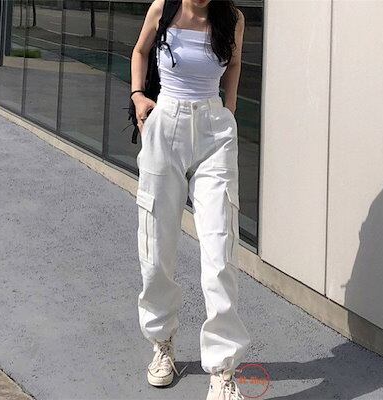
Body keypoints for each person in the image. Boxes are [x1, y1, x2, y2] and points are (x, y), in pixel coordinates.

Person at [130, 0, 250, 399]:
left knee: (220, 249)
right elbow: (140, 51)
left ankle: (222, 370)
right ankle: (162, 342)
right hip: (165, 124)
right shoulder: (162, 9)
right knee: (156, 244)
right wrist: (138, 96)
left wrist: (229, 109)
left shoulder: (232, 18)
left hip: (215, 132)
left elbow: (234, 64)